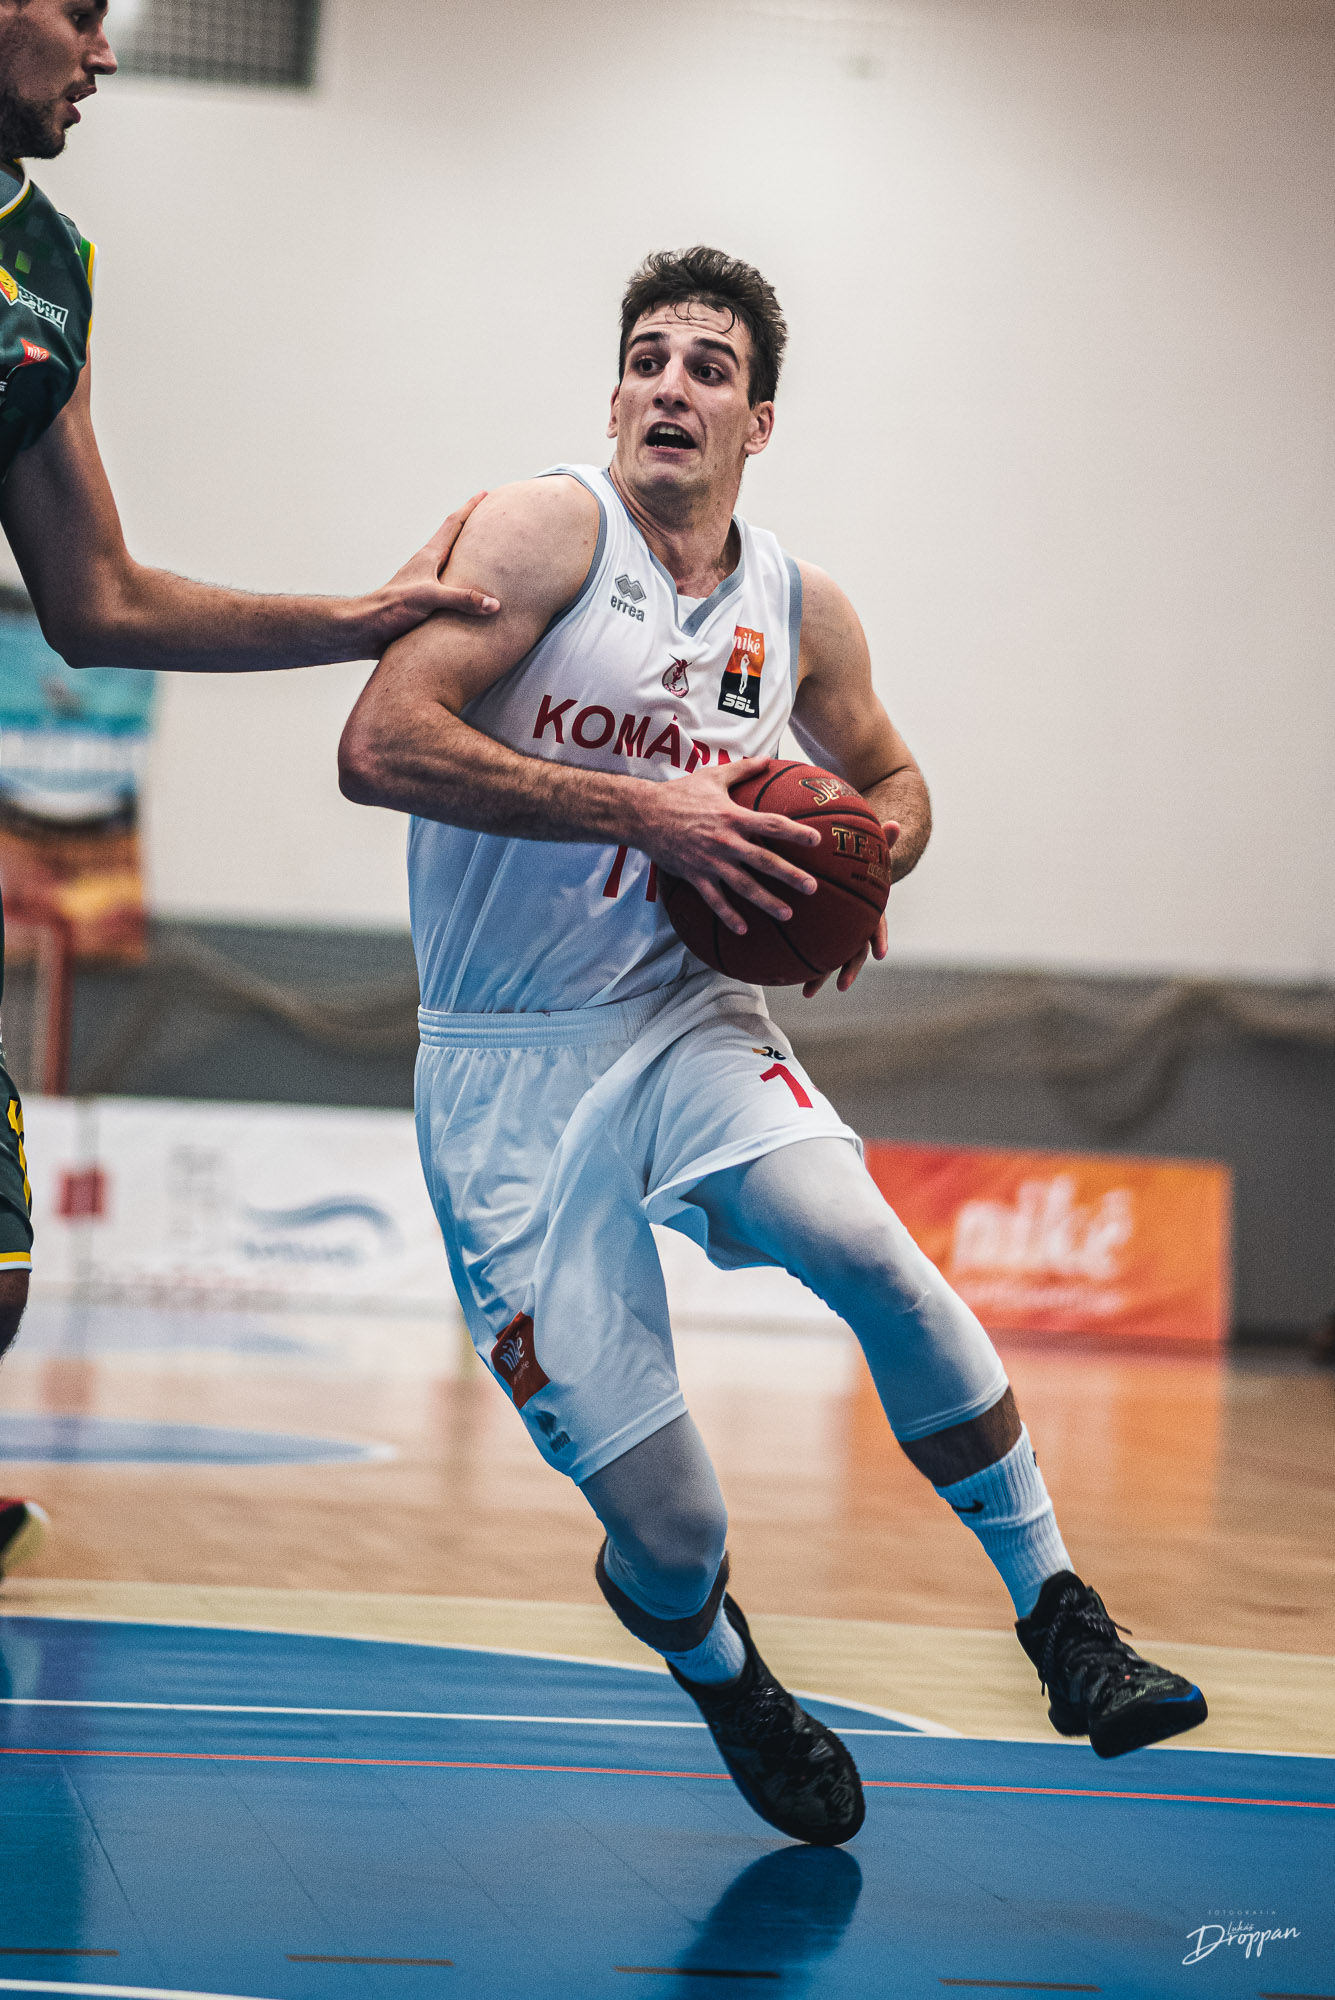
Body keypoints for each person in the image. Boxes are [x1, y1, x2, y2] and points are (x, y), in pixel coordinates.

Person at [338, 245, 1208, 1847]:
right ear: (615, 394)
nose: (672, 385)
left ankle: (1064, 1620)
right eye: (648, 358)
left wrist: (857, 867)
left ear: (760, 422)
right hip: (503, 1067)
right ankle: (723, 1669)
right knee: (673, 1532)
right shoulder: (541, 531)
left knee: (869, 1248)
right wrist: (646, 810)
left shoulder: (802, 607)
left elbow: (897, 782)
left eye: (710, 366)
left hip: (684, 1016)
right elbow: (380, 743)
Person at [0, 0, 497, 1579]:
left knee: (2, 1275)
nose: (106, 51)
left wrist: (359, 619)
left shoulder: (51, 268)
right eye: (81, 12)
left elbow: (98, 603)